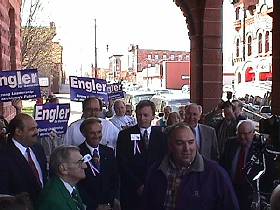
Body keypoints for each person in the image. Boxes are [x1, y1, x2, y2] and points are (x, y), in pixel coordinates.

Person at [143, 122, 239, 210]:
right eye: (180, 143)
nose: (187, 148)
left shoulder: (215, 174)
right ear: (170, 146)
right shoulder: (156, 170)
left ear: (196, 144)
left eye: (191, 142)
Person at [116, 100, 167, 210]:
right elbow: (122, 163)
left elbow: (164, 160)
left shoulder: (162, 135)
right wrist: (138, 185)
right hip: (131, 190)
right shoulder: (124, 135)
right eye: (139, 115)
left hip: (155, 190)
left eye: (146, 115)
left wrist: (152, 185)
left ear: (153, 116)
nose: (142, 118)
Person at [0, 113, 47, 205]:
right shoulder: (3, 157)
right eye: (32, 129)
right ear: (18, 131)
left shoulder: (38, 148)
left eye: (36, 128)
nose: (37, 132)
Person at [221, 120, 266, 210]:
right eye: (239, 133)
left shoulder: (260, 149)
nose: (242, 137)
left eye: (245, 134)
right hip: (230, 190)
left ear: (253, 133)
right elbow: (223, 165)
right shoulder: (230, 143)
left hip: (249, 194)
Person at [78, 117, 119, 210]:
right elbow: (78, 185)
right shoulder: (78, 154)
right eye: (92, 133)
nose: (96, 136)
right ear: (84, 134)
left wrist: (113, 200)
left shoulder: (109, 151)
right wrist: (94, 206)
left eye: (99, 132)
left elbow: (115, 178)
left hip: (109, 205)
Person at [36, 145, 87, 210]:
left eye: (83, 161)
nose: (85, 166)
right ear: (63, 169)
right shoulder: (53, 200)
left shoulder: (70, 185)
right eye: (79, 162)